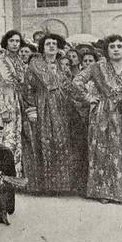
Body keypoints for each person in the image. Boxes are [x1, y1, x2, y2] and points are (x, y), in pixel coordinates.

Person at [72, 35, 122, 204]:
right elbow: (77, 81)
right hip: (103, 113)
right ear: (107, 50)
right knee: (103, 150)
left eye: (119, 46)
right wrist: (88, 97)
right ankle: (103, 192)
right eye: (112, 46)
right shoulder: (97, 67)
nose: (116, 49)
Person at [22, 33, 76, 194]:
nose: (52, 46)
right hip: (43, 106)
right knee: (45, 142)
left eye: (54, 44)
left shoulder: (63, 67)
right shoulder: (35, 65)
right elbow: (28, 89)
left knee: (62, 142)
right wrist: (31, 109)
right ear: (42, 48)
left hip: (61, 108)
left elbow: (70, 87)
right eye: (48, 44)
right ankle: (45, 186)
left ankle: (61, 185)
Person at [0, 30, 25, 177]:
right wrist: (2, 109)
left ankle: (15, 174)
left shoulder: (20, 62)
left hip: (17, 104)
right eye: (12, 41)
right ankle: (1, 174)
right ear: (6, 42)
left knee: (17, 139)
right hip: (5, 104)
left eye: (17, 41)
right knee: (4, 139)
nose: (15, 44)